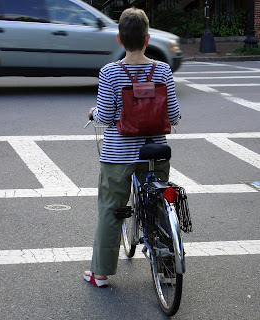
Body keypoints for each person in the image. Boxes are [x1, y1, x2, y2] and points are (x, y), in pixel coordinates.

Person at [84, 7, 180, 287]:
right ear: (147, 39)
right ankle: (168, 270)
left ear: (119, 39)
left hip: (119, 155)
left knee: (112, 209)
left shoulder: (110, 72)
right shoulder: (162, 70)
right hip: (155, 154)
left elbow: (104, 115)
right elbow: (173, 116)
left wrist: (93, 113)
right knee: (160, 206)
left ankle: (100, 274)